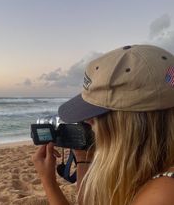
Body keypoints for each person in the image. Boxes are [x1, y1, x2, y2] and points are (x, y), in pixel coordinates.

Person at [32, 44, 174, 205]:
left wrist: (48, 181)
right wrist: (83, 159)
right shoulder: (158, 169)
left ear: (130, 120)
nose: (88, 120)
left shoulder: (163, 193)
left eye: (96, 113)